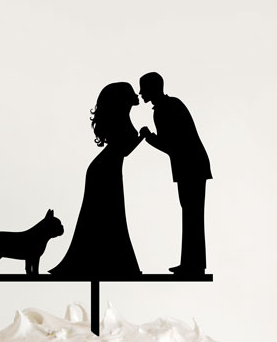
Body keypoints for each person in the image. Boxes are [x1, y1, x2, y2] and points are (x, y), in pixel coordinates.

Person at [49, 83, 143, 279]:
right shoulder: (122, 120)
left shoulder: (121, 118)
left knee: (107, 215)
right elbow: (125, 148)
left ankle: (107, 261)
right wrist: (143, 136)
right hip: (105, 170)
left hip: (105, 168)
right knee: (108, 215)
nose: (136, 97)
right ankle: (109, 263)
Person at [138, 72, 212, 276]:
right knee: (191, 214)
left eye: (143, 88)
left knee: (192, 215)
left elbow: (170, 145)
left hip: (191, 167)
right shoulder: (170, 105)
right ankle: (192, 263)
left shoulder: (164, 109)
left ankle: (193, 264)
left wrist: (148, 137)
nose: (141, 93)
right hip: (192, 167)